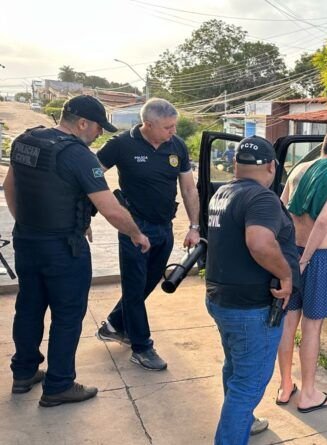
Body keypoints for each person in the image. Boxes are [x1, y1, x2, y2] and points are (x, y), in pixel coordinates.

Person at [5, 95, 150, 407]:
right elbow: (110, 209)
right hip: (64, 248)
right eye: (99, 127)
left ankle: (24, 373)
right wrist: (136, 234)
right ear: (83, 123)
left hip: (27, 241)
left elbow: (10, 187)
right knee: (68, 315)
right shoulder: (78, 155)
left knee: (28, 306)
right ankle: (59, 385)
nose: (100, 134)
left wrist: (27, 224)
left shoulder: (26, 141)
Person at [94, 98, 200, 371]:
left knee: (147, 283)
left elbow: (188, 189)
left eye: (174, 125)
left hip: (164, 226)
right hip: (134, 227)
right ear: (148, 124)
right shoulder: (121, 144)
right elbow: (90, 176)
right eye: (167, 127)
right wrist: (97, 210)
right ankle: (141, 347)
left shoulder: (176, 146)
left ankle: (114, 325)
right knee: (134, 285)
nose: (173, 131)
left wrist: (194, 226)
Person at [205, 136, 299, 444]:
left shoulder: (222, 192)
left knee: (235, 369)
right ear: (272, 166)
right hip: (251, 309)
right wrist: (286, 276)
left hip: (223, 300)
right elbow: (259, 242)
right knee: (249, 383)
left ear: (235, 165)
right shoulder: (262, 198)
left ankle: (245, 420)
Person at [276, 127, 327, 413]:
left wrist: (289, 254)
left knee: (288, 323)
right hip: (318, 258)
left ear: (324, 146)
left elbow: (281, 207)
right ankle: (308, 394)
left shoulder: (300, 168)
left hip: (292, 251)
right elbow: (323, 222)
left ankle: (286, 386)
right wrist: (306, 260)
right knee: (312, 328)